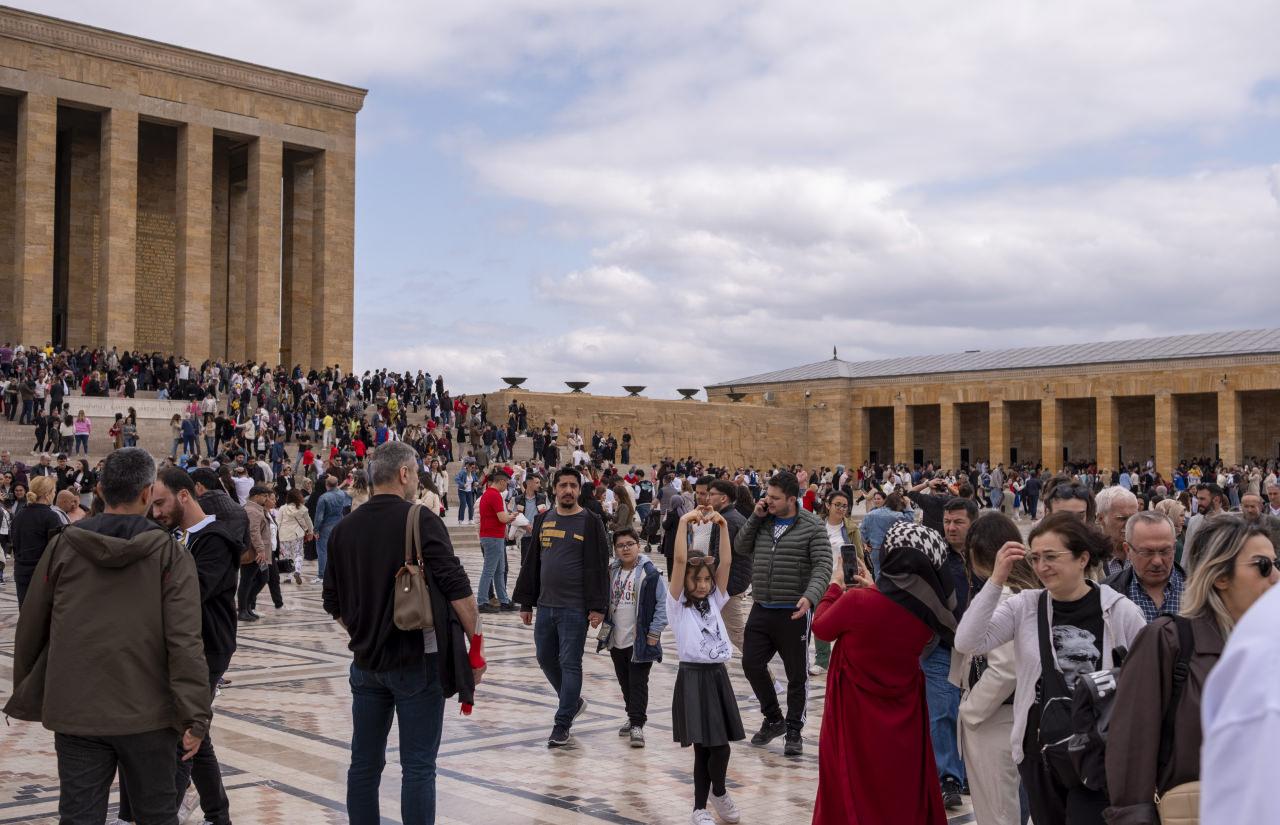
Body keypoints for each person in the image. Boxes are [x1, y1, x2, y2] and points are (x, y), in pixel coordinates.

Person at [4, 447, 211, 824]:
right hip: (150, 712)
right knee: (156, 815)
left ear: (98, 490)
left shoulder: (63, 546)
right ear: (148, 493)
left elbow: (32, 624)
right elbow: (185, 640)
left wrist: (35, 692)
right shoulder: (169, 554)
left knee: (79, 816)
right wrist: (195, 716)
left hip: (78, 709)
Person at [322, 441, 482, 825]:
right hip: (416, 661)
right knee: (418, 767)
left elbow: (333, 603)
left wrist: (367, 630)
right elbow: (459, 591)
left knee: (363, 763)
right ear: (405, 474)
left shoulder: (344, 528)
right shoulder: (420, 518)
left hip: (366, 663)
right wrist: (475, 649)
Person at [955, 512, 1147, 825]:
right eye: (1035, 558)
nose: (1042, 567)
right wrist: (996, 579)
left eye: (1052, 557)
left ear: (1082, 558)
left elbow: (1147, 674)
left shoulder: (1119, 610)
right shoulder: (1025, 606)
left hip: (1099, 750)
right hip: (1041, 752)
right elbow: (968, 641)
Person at [1106, 516, 1278, 823]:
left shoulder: (1268, 645)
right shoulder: (1169, 640)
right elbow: (1132, 745)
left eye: (1276, 564)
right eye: (1263, 566)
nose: (1275, 576)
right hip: (1192, 811)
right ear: (1220, 576)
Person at [811, 520, 952, 825]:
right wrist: (874, 587)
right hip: (905, 713)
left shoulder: (857, 601)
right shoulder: (926, 616)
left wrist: (836, 585)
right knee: (900, 780)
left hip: (854, 713)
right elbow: (894, 610)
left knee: (852, 777)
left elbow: (821, 628)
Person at [146, 467, 241, 825]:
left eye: (160, 503)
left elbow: (193, 591)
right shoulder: (177, 536)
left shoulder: (215, 538)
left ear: (184, 495)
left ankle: (167, 813)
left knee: (184, 732)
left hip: (209, 647)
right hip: (183, 646)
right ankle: (217, 814)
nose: (156, 512)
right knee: (194, 730)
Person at [734, 470, 833, 756]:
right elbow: (741, 546)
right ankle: (773, 717)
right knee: (751, 664)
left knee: (796, 675)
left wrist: (810, 597)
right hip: (762, 607)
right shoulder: (763, 521)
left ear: (792, 499)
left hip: (794, 611)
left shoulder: (812, 525)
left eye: (775, 498)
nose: (769, 500)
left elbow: (823, 566)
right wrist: (756, 516)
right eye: (767, 495)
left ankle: (793, 730)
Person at [513, 465, 611, 747]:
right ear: (554, 489)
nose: (568, 490)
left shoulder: (591, 521)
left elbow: (598, 567)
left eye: (573, 486)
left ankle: (562, 722)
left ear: (579, 490)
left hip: (574, 609)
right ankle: (573, 702)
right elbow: (533, 561)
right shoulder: (544, 519)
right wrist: (526, 602)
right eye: (563, 485)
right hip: (545, 606)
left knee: (570, 663)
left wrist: (598, 607)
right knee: (545, 658)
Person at [668, 503, 744, 825]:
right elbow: (681, 560)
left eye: (705, 580)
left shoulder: (715, 599)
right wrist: (686, 521)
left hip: (717, 676)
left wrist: (722, 526)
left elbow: (726, 561)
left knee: (722, 748)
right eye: (695, 580)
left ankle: (720, 791)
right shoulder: (677, 606)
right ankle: (700, 808)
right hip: (693, 677)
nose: (702, 585)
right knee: (704, 749)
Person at [957, 512, 1034, 825]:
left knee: (997, 811)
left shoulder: (1002, 594)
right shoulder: (1025, 589)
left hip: (995, 719)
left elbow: (1004, 669)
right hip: (1015, 715)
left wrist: (970, 710)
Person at [927, 497, 977, 808]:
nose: (951, 527)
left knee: (974, 713)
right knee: (943, 712)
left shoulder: (985, 556)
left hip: (981, 649)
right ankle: (948, 777)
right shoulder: (935, 556)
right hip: (941, 645)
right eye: (947, 521)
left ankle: (970, 770)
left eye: (958, 522)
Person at [597, 527, 667, 747]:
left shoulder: (650, 573)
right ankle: (632, 714)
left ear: (638, 544)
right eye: (620, 545)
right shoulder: (612, 571)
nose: (625, 549)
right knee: (624, 681)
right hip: (616, 637)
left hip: (640, 639)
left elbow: (663, 605)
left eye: (629, 544)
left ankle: (637, 724)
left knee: (638, 682)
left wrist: (654, 632)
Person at [813, 489, 863, 673]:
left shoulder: (851, 529)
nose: (841, 509)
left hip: (843, 582)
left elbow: (858, 556)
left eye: (845, 506)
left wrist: (856, 581)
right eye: (838, 505)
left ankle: (845, 657)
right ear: (828, 505)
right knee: (821, 618)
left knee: (844, 620)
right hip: (820, 579)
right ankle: (822, 660)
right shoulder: (817, 526)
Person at [1104, 510, 1184, 622]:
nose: (1157, 561)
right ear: (1128, 550)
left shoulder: (1198, 592)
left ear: (1174, 547)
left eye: (1165, 551)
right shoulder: (1107, 595)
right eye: (1147, 552)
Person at [10, 474, 64, 606]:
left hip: (21, 571)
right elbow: (58, 548)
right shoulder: (50, 517)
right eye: (53, 491)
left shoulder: (19, 515)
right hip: (42, 574)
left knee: (26, 616)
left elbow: (15, 545)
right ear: (47, 494)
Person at [476, 467, 517, 613]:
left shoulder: (489, 493)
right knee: (489, 570)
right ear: (501, 481)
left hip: (494, 536)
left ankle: (504, 600)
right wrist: (513, 517)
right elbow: (502, 518)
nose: (507, 486)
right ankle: (481, 601)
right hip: (492, 537)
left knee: (499, 571)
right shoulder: (494, 495)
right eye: (506, 483)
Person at [314, 474, 351, 583]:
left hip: (326, 525)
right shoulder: (343, 494)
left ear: (326, 485)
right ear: (337, 484)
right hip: (340, 523)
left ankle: (322, 575)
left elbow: (319, 517)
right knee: (338, 550)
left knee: (322, 550)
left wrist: (316, 529)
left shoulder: (323, 497)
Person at [1095, 485, 1139, 576]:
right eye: (1122, 518)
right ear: (1100, 519)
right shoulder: (1090, 559)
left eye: (1134, 518)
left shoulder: (1144, 553)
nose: (1129, 524)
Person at [278, 487, 314, 585]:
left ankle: (287, 577)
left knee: (286, 555)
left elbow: (278, 522)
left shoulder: (282, 508)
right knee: (298, 553)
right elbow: (309, 522)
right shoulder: (303, 509)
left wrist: (276, 535)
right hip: (297, 534)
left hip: (283, 534)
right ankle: (297, 571)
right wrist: (310, 532)